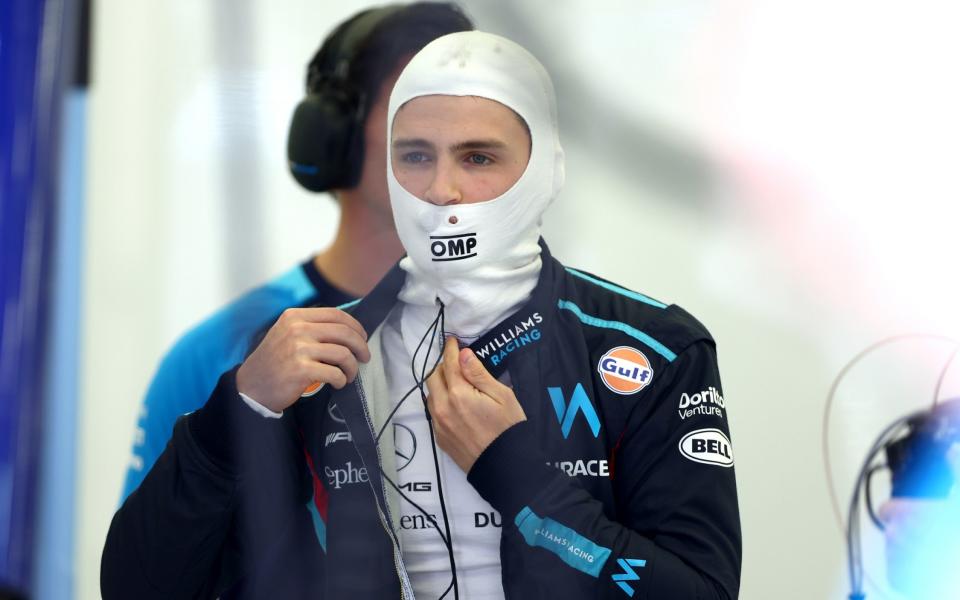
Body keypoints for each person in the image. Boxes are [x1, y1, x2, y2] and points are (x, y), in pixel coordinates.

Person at [103, 30, 741, 599]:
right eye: (415, 156)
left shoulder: (653, 350)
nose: (442, 190)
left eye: (478, 157)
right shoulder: (311, 359)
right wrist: (237, 410)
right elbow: (137, 587)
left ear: (546, 168)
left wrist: (515, 475)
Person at [120, 2, 474, 499]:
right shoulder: (219, 353)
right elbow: (146, 570)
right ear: (336, 139)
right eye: (413, 104)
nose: (446, 134)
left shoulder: (548, 327)